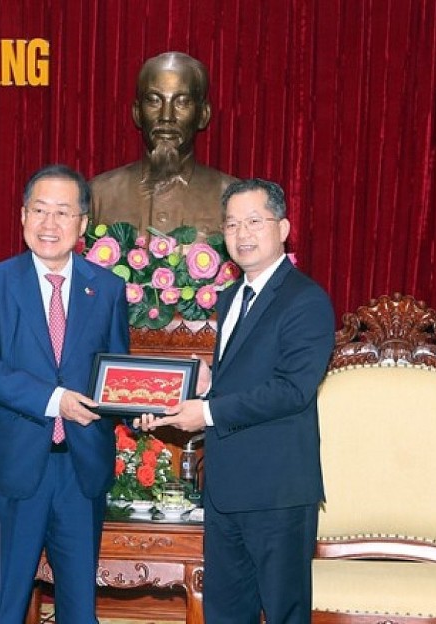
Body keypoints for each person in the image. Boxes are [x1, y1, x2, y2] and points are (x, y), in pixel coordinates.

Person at [139, 178, 335, 623]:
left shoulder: (305, 300)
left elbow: (292, 389)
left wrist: (205, 411)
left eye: (254, 222)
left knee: (285, 614)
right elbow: (249, 376)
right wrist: (210, 381)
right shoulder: (232, 297)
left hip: (277, 491)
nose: (242, 234)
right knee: (226, 614)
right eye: (231, 225)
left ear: (283, 228)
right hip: (227, 489)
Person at [0, 164, 130, 624]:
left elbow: (117, 374)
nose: (50, 224)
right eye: (39, 210)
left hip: (82, 475)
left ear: (82, 224)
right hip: (9, 476)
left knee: (80, 608)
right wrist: (56, 400)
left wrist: (148, 406)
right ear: (22, 216)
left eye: (63, 213)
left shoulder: (109, 289)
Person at [90, 51, 237, 238]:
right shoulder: (99, 195)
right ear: (137, 113)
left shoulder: (233, 197)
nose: (166, 116)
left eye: (182, 102)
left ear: (203, 115)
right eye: (154, 101)